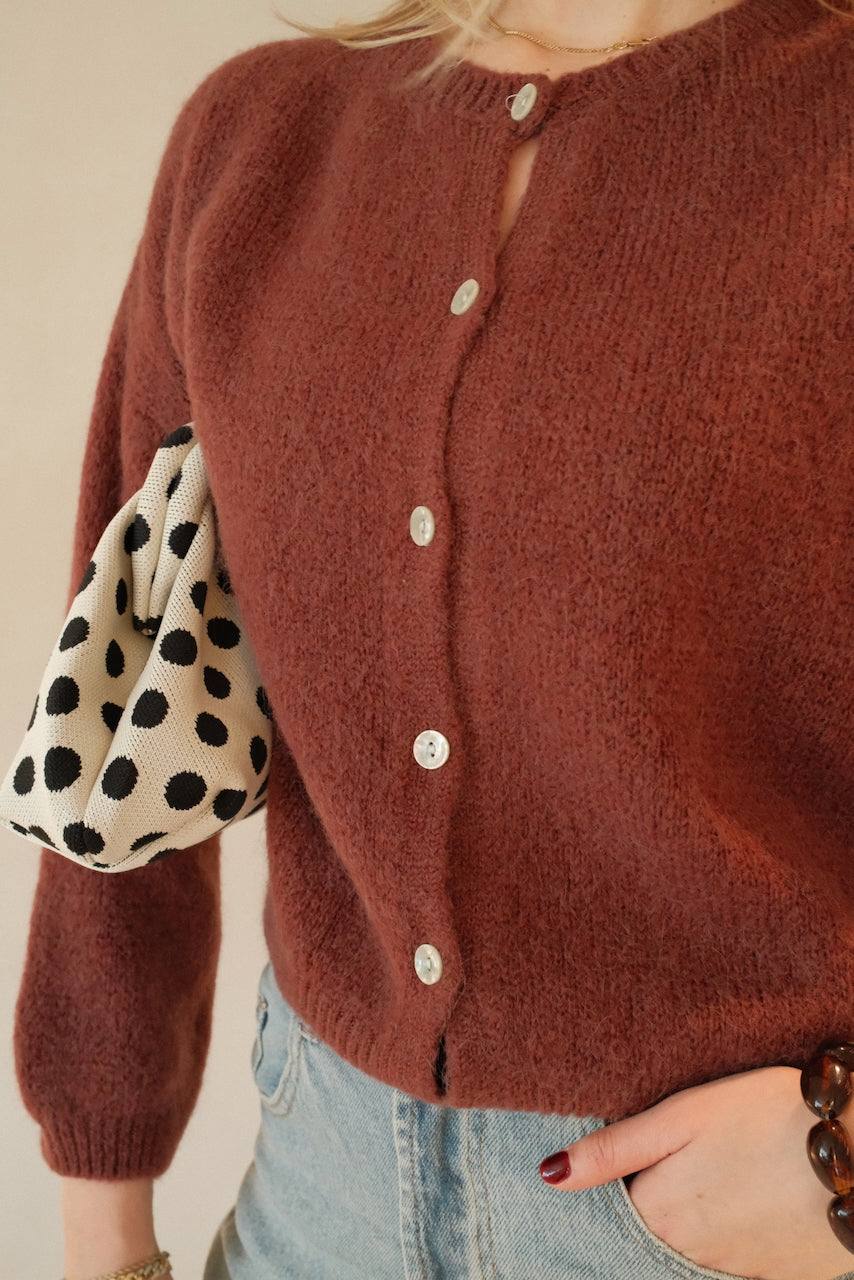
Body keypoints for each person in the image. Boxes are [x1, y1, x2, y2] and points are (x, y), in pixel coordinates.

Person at [12, 0, 854, 1276]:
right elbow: (122, 704)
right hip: (311, 1203)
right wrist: (103, 1230)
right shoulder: (258, 141)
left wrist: (841, 1156)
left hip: (740, 1222)